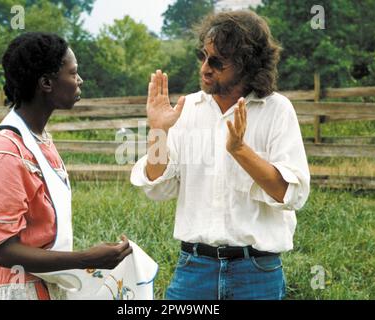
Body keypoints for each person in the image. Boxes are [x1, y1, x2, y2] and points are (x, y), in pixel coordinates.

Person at [130, 10, 310, 300]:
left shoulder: (277, 110)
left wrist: (240, 151)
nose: (205, 68)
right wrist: (158, 132)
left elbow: (291, 195)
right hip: (193, 270)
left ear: (247, 65)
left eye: (217, 61)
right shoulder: (187, 109)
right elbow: (159, 188)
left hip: (257, 272)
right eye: (203, 56)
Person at [0, 32, 132, 300]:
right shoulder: (7, 153)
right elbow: (3, 250)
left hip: (38, 284)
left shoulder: (38, 141)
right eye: (73, 73)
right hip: (12, 289)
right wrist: (86, 258)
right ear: (46, 83)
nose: (80, 80)